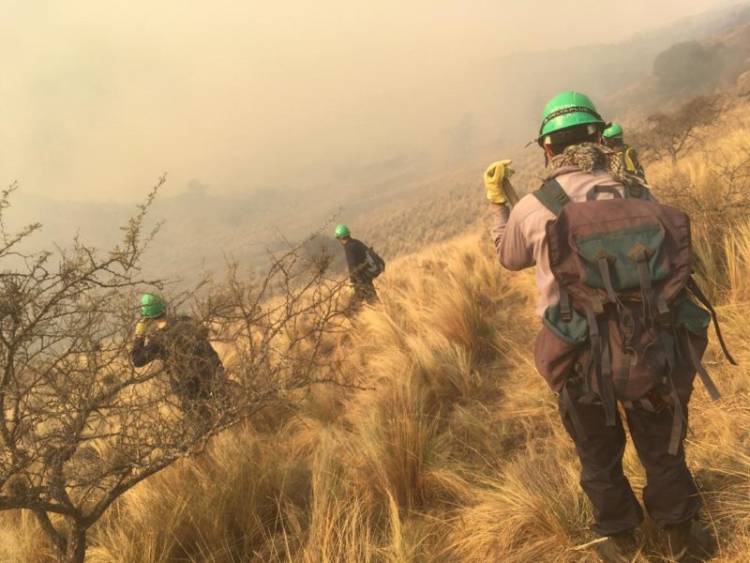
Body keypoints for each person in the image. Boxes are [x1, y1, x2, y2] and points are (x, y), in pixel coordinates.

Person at [484, 92, 724, 562]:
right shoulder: (635, 189)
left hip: (579, 359)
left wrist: (500, 205)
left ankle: (621, 545)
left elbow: (508, 257)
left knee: (598, 454)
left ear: (548, 149)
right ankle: (681, 540)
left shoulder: (534, 207)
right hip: (653, 347)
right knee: (662, 446)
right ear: (600, 137)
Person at [131, 293, 225, 421]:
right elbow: (204, 333)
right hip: (213, 372)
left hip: (189, 389)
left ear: (147, 317)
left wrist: (139, 335)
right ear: (163, 307)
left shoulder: (158, 340)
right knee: (229, 409)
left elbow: (137, 360)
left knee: (203, 423)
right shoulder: (186, 320)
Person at [334, 224, 382, 307]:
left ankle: (383, 315)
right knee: (370, 301)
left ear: (340, 238)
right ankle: (383, 313)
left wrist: (353, 282)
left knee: (366, 303)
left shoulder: (349, 248)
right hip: (365, 276)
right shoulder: (355, 242)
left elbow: (352, 267)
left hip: (361, 280)